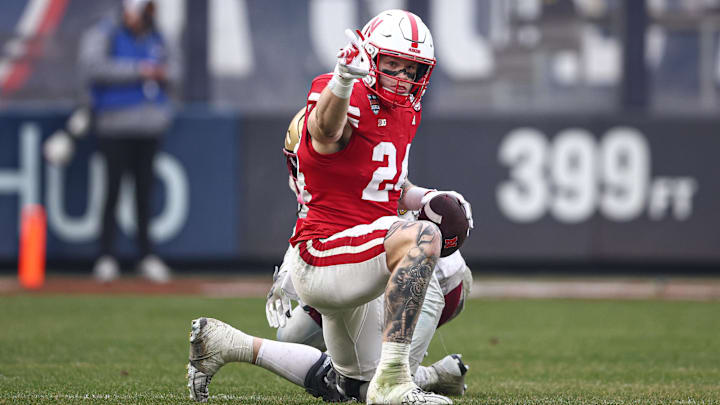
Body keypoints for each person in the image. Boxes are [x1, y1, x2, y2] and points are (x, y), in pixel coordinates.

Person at [187, 10, 473, 404]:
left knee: (353, 388)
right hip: (326, 249)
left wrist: (426, 198)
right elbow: (325, 131)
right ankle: (399, 379)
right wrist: (341, 81)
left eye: (412, 70)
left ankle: (226, 343)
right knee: (421, 239)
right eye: (393, 65)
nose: (403, 78)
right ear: (369, 59)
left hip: (363, 254)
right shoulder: (340, 93)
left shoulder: (405, 110)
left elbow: (388, 185)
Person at [265, 108, 474, 397]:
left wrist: (431, 198)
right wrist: (292, 267)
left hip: (429, 280)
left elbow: (399, 201)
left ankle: (410, 375)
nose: (307, 165)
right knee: (291, 337)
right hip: (364, 265)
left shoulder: (364, 167)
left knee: (379, 381)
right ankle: (429, 375)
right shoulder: (315, 177)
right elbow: (315, 225)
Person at [78, 0, 178, 283]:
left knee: (144, 194)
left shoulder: (159, 36)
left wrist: (160, 79)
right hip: (114, 125)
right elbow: (92, 68)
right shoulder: (106, 33)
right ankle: (106, 255)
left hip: (149, 127)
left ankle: (146, 255)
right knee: (111, 191)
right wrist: (140, 70)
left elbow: (176, 71)